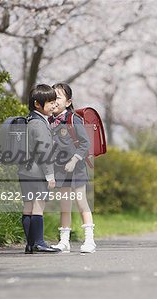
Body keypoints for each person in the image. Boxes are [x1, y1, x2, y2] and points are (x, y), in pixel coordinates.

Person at [49, 82, 96, 253]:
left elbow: (85, 144)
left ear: (68, 102)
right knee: (65, 206)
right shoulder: (50, 121)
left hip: (76, 169)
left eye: (58, 98)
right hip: (60, 169)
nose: (54, 101)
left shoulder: (73, 119)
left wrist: (74, 160)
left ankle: (89, 239)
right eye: (52, 98)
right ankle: (64, 241)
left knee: (81, 202)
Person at [18, 84, 60, 254]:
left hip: (24, 171)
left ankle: (30, 244)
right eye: (50, 102)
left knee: (28, 206)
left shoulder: (28, 120)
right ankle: (40, 242)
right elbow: (44, 151)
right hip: (37, 173)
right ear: (37, 104)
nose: (53, 106)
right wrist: (50, 175)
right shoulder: (39, 124)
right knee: (38, 206)